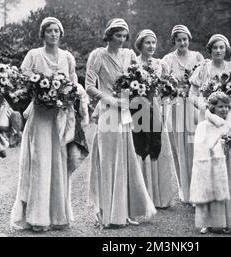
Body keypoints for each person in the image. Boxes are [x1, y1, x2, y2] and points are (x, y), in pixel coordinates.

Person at [10, 17, 89, 232]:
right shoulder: (33, 55)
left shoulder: (68, 57)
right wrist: (39, 90)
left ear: (60, 34)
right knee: (40, 162)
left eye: (57, 31)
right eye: (49, 31)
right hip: (41, 117)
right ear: (43, 34)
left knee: (59, 163)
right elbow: (22, 81)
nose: (53, 34)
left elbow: (74, 84)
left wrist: (72, 94)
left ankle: (58, 216)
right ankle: (36, 217)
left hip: (61, 118)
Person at [86, 18, 156, 228]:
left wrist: (134, 97)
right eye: (118, 35)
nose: (122, 40)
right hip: (108, 110)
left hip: (126, 109)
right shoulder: (97, 55)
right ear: (109, 36)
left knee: (126, 157)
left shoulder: (129, 55)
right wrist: (110, 100)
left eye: (125, 36)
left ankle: (125, 211)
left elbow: (138, 80)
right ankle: (108, 212)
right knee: (108, 158)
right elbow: (89, 86)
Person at [133, 29, 179, 208]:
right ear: (140, 45)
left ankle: (161, 197)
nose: (151, 46)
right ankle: (145, 197)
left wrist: (164, 105)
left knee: (160, 148)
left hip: (157, 108)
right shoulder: (133, 64)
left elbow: (166, 89)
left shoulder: (161, 64)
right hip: (139, 109)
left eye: (153, 43)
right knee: (142, 146)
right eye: (147, 43)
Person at [162, 25, 204, 204]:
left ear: (189, 39)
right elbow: (163, 84)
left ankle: (198, 188)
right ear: (174, 41)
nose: (182, 42)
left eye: (185, 39)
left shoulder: (198, 57)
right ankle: (184, 189)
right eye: (179, 39)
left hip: (194, 106)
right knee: (179, 148)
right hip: (176, 105)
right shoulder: (167, 59)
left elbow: (204, 81)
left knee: (195, 147)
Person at [190, 92, 231, 234]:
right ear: (212, 108)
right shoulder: (204, 125)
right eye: (220, 106)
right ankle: (207, 222)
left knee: (228, 187)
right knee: (210, 188)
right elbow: (201, 147)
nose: (224, 109)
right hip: (210, 164)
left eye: (227, 106)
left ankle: (227, 221)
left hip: (227, 160)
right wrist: (216, 144)